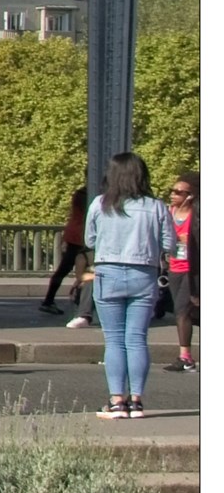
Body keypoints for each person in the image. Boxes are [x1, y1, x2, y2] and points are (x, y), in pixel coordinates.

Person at [84, 150, 177, 419]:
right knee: (136, 339)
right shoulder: (155, 206)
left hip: (108, 272)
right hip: (144, 273)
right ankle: (136, 400)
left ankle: (116, 401)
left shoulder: (101, 204)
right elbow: (169, 243)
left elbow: (90, 240)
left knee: (114, 340)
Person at [163, 172, 198, 373]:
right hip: (174, 266)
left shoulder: (197, 214)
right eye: (172, 191)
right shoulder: (170, 212)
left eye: (179, 192)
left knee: (182, 311)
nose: (173, 195)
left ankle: (185, 357)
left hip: (191, 268)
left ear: (190, 195)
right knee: (181, 310)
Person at [41, 184, 91, 317]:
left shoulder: (80, 193)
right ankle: (77, 300)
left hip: (74, 234)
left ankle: (49, 300)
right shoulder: (88, 195)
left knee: (64, 269)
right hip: (81, 235)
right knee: (85, 269)